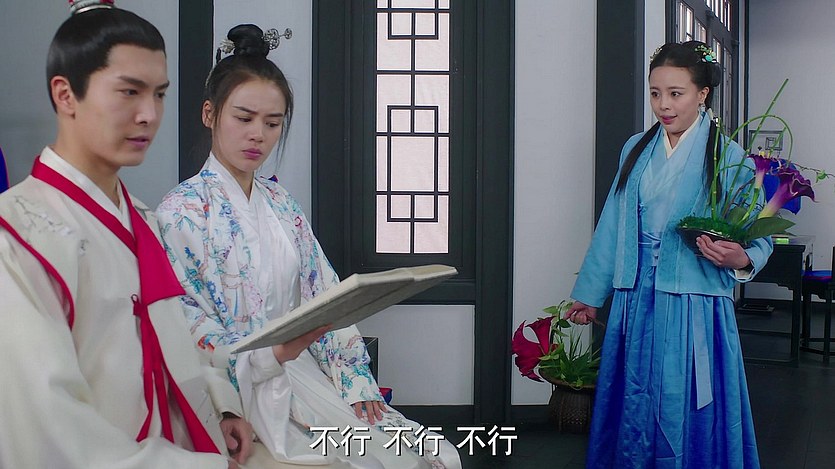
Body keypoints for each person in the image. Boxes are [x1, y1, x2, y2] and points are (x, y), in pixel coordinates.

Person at [156, 24, 462, 469]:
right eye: (243, 118)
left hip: (304, 371)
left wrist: (354, 377)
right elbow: (186, 322)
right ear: (209, 114)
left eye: (272, 123)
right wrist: (250, 375)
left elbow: (325, 294)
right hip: (235, 385)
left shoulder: (280, 203)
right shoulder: (180, 212)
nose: (258, 134)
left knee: (431, 456)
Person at [0, 2, 253, 467]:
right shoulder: (16, 232)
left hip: (179, 445)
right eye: (129, 92)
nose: (149, 114)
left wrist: (220, 403)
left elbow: (170, 334)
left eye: (159, 94)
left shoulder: (142, 217)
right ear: (65, 95)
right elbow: (47, 426)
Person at [565, 41, 771, 468]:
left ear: (702, 94)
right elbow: (613, 225)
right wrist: (590, 293)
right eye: (655, 93)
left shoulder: (729, 158)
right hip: (635, 296)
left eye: (676, 93)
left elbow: (757, 233)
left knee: (685, 399)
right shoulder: (635, 149)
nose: (663, 105)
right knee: (634, 397)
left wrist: (741, 257)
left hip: (693, 301)